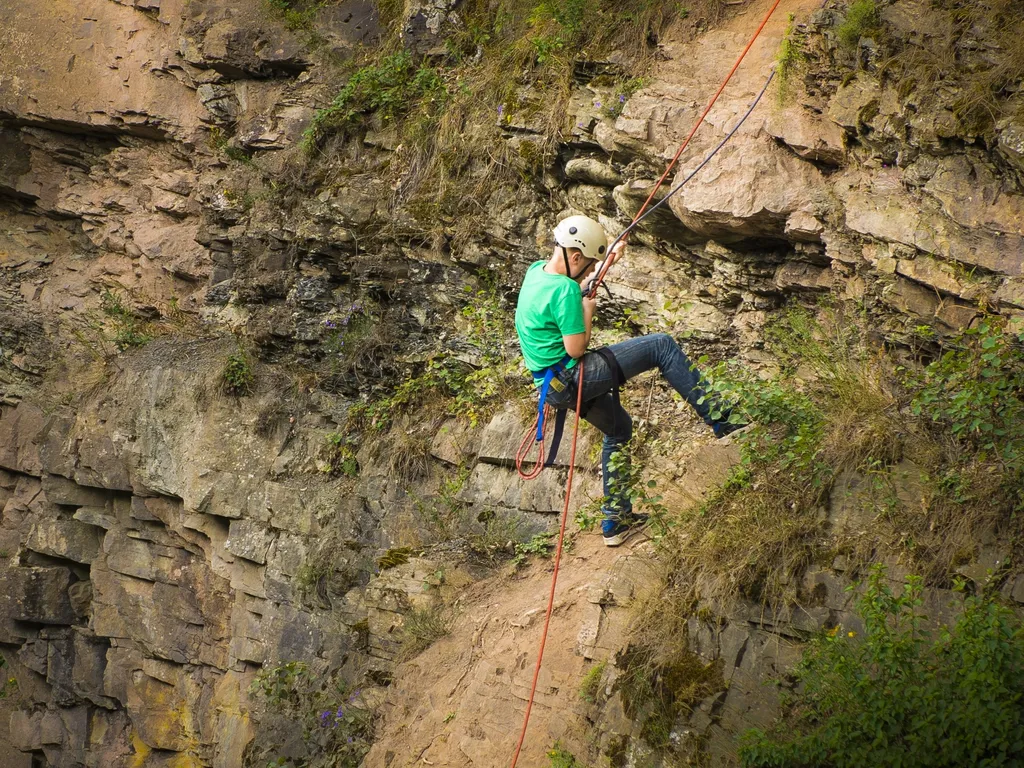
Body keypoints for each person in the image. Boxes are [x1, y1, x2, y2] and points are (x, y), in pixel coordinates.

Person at [514, 214, 742, 546]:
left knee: (619, 428)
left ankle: (615, 521)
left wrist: (607, 260)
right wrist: (587, 307)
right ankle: (723, 419)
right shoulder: (565, 290)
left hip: (551, 386)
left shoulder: (536, 272)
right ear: (575, 257)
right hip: (573, 374)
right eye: (590, 265)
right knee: (660, 346)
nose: (592, 271)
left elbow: (561, 292)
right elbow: (576, 348)